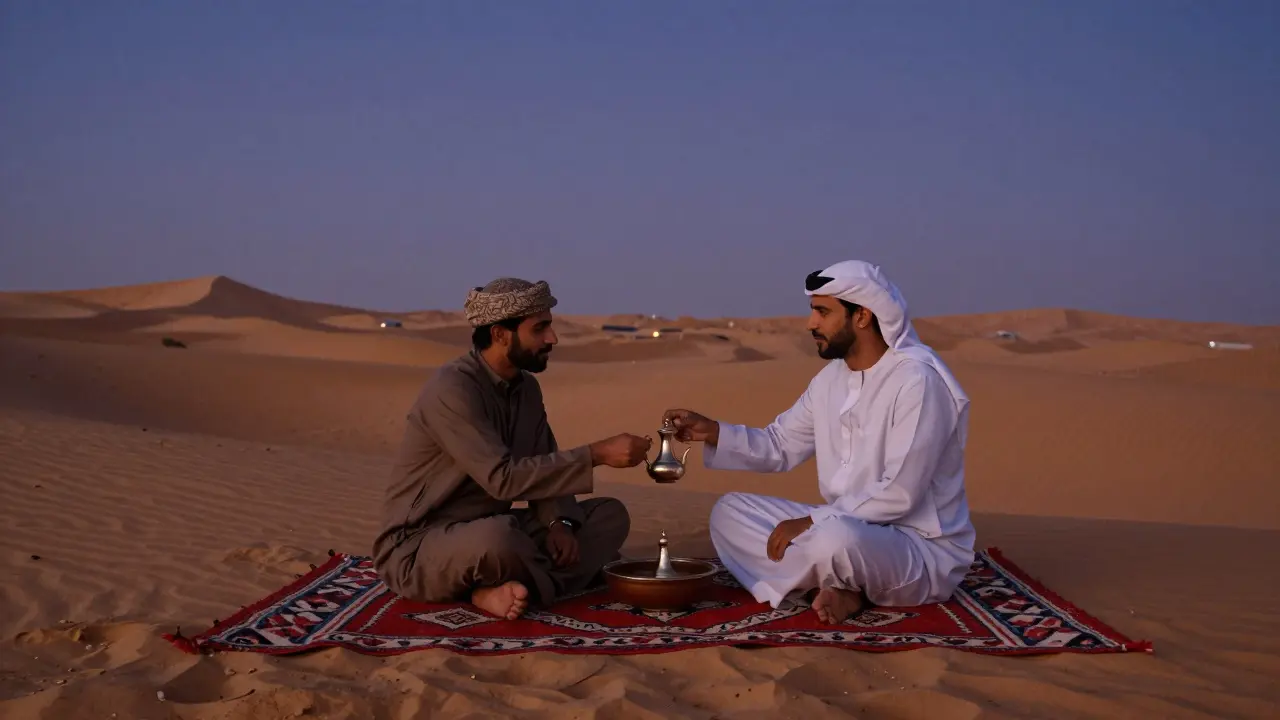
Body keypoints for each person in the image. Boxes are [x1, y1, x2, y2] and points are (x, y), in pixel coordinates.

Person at [664, 260, 975, 624]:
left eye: (823, 312)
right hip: (843, 523)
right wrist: (715, 431)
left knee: (835, 540)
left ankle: (830, 584)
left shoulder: (916, 382)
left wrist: (812, 521)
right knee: (729, 513)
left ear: (861, 316)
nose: (811, 323)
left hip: (916, 546)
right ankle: (828, 591)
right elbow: (780, 445)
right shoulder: (829, 381)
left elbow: (901, 493)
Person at [372, 277, 651, 620]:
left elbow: (542, 460)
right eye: (540, 329)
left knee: (609, 516)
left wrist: (559, 523)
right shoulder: (453, 389)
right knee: (499, 539)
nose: (552, 338)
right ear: (500, 334)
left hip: (492, 525)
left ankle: (512, 582)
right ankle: (485, 592)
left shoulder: (526, 390)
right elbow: (502, 480)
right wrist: (596, 454)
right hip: (419, 546)